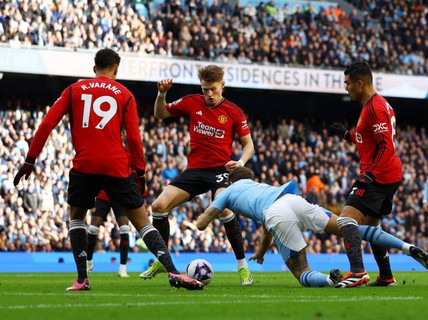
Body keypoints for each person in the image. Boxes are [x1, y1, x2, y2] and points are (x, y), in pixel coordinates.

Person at [13, 48, 203, 291]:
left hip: (85, 165)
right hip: (116, 166)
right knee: (143, 223)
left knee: (78, 218)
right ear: (116, 70)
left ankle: (82, 279)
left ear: (94, 69)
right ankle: (174, 272)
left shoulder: (73, 90)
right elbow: (134, 139)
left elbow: (48, 123)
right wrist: (141, 173)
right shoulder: (125, 94)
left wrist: (30, 160)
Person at [196, 167, 428, 288]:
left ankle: (330, 280)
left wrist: (208, 216)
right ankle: (406, 246)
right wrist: (260, 252)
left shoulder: (228, 191)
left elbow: (203, 221)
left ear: (231, 181)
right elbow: (268, 229)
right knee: (348, 227)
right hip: (293, 200)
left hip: (276, 215)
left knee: (302, 273)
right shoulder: (259, 185)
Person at [141, 64, 255, 286]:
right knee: (158, 206)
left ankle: (242, 267)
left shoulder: (234, 111)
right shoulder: (192, 101)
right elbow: (160, 113)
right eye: (205, 89)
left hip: (220, 171)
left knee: (224, 208)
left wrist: (240, 162)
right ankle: (163, 261)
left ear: (222, 85)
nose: (209, 94)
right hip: (194, 170)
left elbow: (248, 144)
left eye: (213, 89)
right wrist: (161, 94)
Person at [329, 61, 404, 288]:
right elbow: (368, 140)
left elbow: (385, 147)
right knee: (372, 227)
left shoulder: (374, 107)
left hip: (379, 176)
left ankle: (358, 272)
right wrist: (347, 135)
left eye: (348, 83)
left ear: (360, 84)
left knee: (345, 219)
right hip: (388, 174)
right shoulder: (374, 105)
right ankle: (386, 276)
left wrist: (369, 175)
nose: (346, 88)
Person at [86, 190, 131, 278]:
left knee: (125, 229)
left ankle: (123, 267)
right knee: (92, 229)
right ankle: (89, 261)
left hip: (119, 194)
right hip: (103, 194)